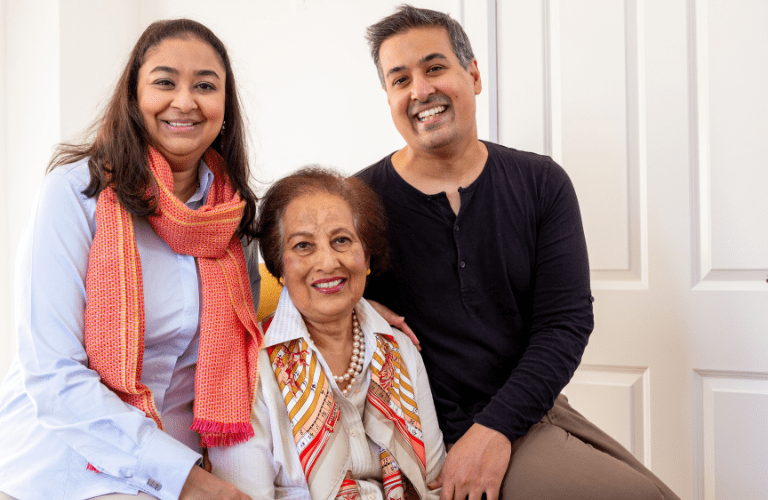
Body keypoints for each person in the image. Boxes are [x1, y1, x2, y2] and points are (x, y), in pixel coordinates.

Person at [356, 5, 680, 500]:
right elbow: (291, 275)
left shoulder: (541, 182)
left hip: (527, 411)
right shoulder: (357, 203)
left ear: (474, 74)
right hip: (428, 434)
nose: (420, 91)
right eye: (400, 79)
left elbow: (565, 324)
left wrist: (495, 432)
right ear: (388, 97)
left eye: (434, 67)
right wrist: (356, 306)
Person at [0, 19, 261, 500]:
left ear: (225, 108)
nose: (184, 101)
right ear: (133, 97)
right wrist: (191, 483)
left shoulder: (231, 219)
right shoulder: (76, 194)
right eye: (164, 82)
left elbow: (255, 341)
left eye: (205, 85)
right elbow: (52, 373)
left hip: (179, 468)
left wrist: (364, 312)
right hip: (63, 465)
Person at [209, 167, 445, 500]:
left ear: (365, 256)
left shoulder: (401, 349)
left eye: (342, 241)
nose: (327, 261)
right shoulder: (246, 368)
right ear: (280, 268)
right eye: (303, 245)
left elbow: (432, 483)